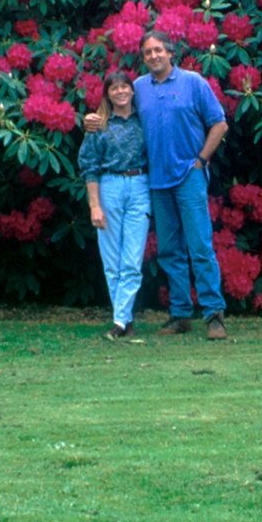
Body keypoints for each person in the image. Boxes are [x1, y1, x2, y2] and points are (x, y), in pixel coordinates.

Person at [87, 32, 229, 339]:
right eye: (147, 52)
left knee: (200, 246)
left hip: (189, 176)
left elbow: (219, 122)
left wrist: (202, 160)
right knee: (169, 251)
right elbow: (117, 110)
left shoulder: (193, 82)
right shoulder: (138, 87)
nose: (153, 56)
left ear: (171, 52)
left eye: (158, 50)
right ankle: (180, 315)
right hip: (156, 182)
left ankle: (214, 315)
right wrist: (93, 120)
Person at [77, 71, 150, 341]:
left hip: (140, 185)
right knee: (112, 261)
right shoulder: (99, 125)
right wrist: (95, 206)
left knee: (132, 260)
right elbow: (90, 167)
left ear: (132, 90)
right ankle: (125, 321)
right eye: (114, 88)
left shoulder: (144, 119)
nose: (120, 92)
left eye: (124, 87)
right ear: (107, 94)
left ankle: (120, 322)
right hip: (109, 187)